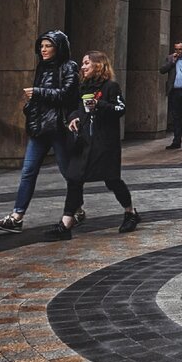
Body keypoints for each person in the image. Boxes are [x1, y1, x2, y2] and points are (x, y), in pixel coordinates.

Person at [0, 30, 83, 232]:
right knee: (28, 172)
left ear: (58, 47)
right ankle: (17, 216)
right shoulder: (42, 67)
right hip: (39, 128)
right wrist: (30, 106)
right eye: (41, 46)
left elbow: (68, 95)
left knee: (68, 173)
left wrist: (38, 93)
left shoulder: (69, 66)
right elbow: (39, 98)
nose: (43, 50)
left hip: (58, 128)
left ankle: (76, 209)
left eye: (48, 46)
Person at [49, 51, 138, 237]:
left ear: (98, 65)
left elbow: (120, 109)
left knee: (112, 180)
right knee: (74, 179)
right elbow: (74, 109)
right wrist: (73, 118)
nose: (83, 67)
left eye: (86, 63)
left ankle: (130, 212)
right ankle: (65, 224)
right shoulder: (83, 87)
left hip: (105, 145)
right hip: (83, 142)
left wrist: (100, 104)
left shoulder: (111, 87)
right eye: (83, 63)